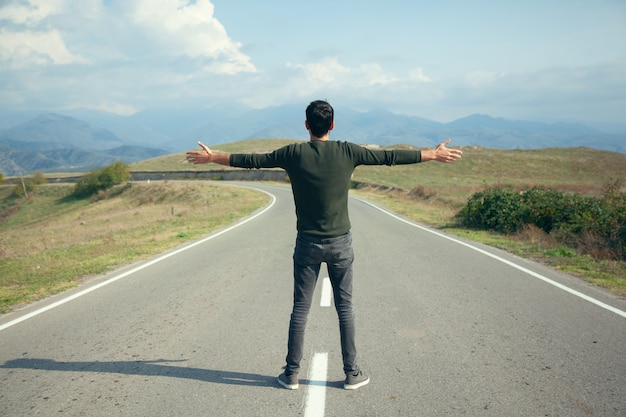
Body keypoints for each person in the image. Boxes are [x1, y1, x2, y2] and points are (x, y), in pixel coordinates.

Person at [186, 100, 462, 390]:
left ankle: (291, 374)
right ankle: (352, 374)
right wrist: (432, 154)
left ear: (307, 125)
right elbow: (389, 157)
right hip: (341, 243)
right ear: (332, 125)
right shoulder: (347, 151)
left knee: (300, 310)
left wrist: (213, 157)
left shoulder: (292, 153)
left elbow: (252, 160)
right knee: (346, 309)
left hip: (307, 243)